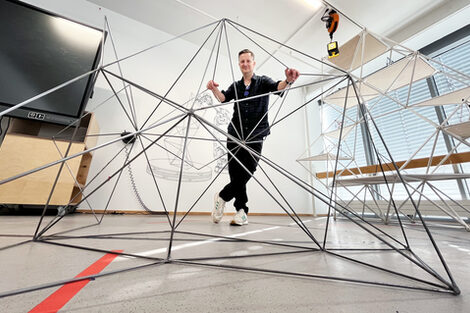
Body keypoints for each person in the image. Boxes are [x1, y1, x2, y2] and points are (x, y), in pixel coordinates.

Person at [207, 49, 299, 226]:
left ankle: (222, 196)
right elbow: (223, 98)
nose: (245, 64)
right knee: (236, 175)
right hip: (234, 135)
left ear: (254, 63)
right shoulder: (236, 85)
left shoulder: (263, 82)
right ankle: (242, 212)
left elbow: (278, 87)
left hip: (256, 136)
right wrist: (213, 89)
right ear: (239, 64)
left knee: (248, 170)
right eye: (242, 61)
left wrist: (288, 80)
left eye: (248, 61)